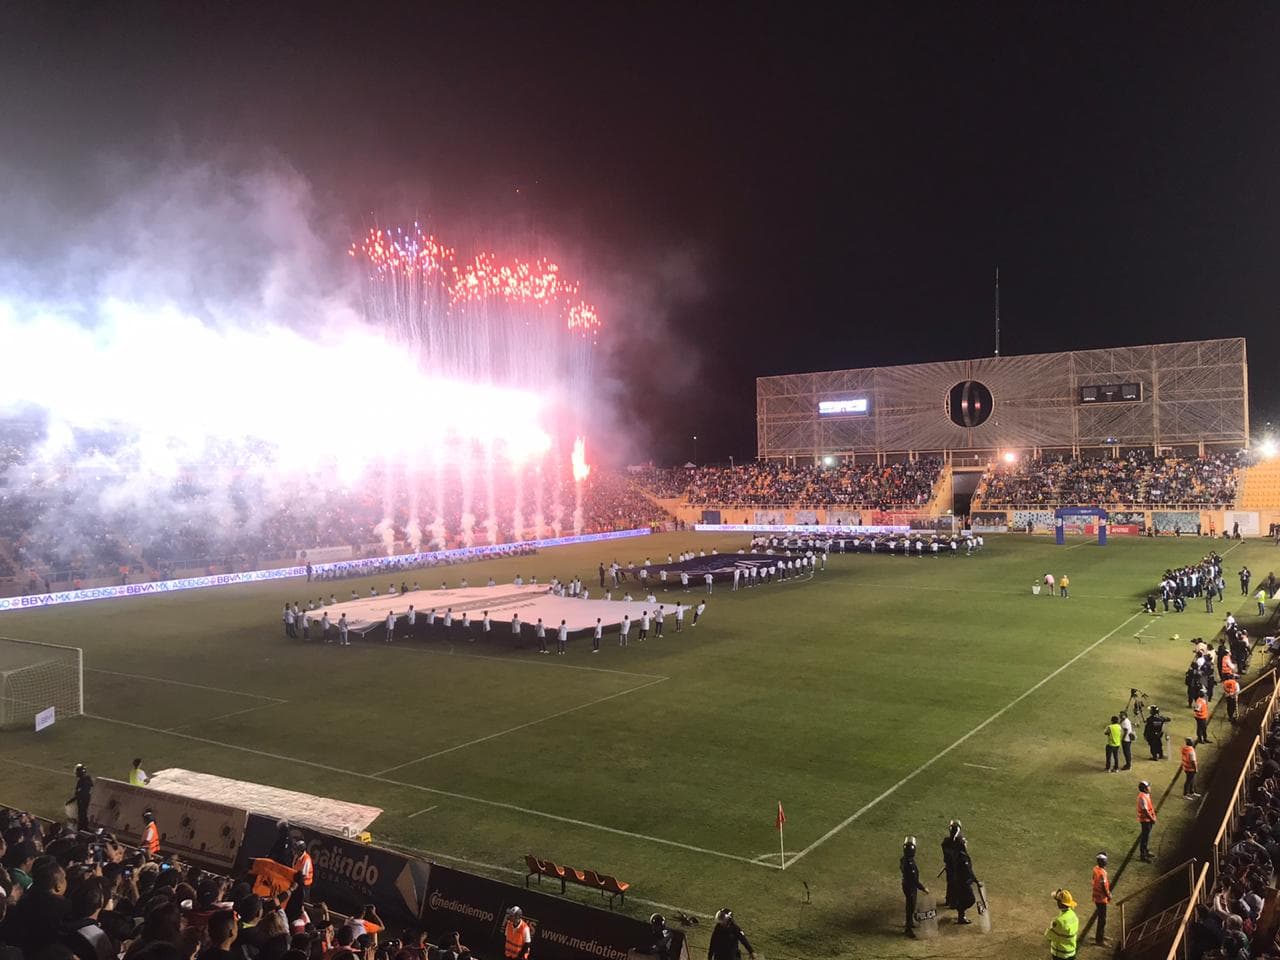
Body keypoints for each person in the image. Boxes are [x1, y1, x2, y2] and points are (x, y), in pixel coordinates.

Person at [900, 836, 928, 939]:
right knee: (910, 905)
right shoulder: (910, 863)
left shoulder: (903, 860)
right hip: (910, 886)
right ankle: (908, 928)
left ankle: (910, 922)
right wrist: (923, 888)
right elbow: (914, 880)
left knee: (910, 904)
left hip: (906, 885)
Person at [1045, 889, 1079, 960]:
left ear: (1060, 903)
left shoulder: (1058, 920)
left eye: (1057, 901)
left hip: (1060, 954)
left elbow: (1049, 936)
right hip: (1071, 952)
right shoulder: (1074, 915)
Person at [1091, 853, 1111, 945]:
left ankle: (1100, 935)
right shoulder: (1102, 873)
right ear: (1102, 862)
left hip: (1096, 896)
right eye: (1105, 860)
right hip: (1101, 898)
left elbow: (1093, 879)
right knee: (1102, 919)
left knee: (1101, 918)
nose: (1106, 862)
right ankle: (1099, 940)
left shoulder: (1096, 869)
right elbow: (1103, 886)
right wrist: (1108, 895)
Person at [68, 764, 93, 831]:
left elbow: (79, 794)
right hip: (86, 799)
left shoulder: (82, 781)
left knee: (82, 815)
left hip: (83, 801)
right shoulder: (88, 778)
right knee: (83, 814)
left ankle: (82, 829)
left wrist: (71, 800)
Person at [1137, 780, 1157, 862]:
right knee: (1145, 837)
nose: (1150, 787)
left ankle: (1145, 851)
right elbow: (1145, 810)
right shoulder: (1142, 797)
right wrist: (1152, 819)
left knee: (1147, 836)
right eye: (1148, 786)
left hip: (1148, 819)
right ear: (1145, 789)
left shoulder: (1146, 794)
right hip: (1145, 820)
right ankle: (1143, 855)